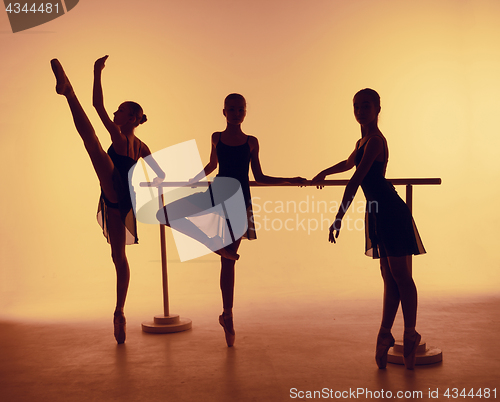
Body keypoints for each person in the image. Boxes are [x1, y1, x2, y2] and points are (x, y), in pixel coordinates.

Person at [157, 93, 305, 346]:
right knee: (166, 213)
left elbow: (258, 175)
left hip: (240, 202)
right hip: (216, 195)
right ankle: (215, 247)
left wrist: (291, 179)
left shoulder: (251, 141)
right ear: (224, 112)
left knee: (229, 263)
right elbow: (212, 165)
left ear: (245, 112)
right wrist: (190, 180)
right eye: (232, 109)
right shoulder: (216, 137)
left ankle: (227, 315)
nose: (236, 113)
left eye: (240, 109)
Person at [51, 56, 165, 344]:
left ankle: (68, 92)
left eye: (120, 111)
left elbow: (97, 107)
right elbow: (159, 174)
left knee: (92, 143)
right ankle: (119, 312)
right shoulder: (140, 146)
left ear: (130, 118)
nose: (114, 113)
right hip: (120, 200)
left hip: (117, 193)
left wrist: (96, 72)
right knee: (118, 257)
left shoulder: (123, 138)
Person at [312, 88, 425, 369]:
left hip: (390, 211)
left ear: (377, 109)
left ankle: (409, 334)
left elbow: (355, 179)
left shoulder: (375, 141)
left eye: (365, 106)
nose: (360, 111)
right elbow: (349, 162)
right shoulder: (362, 140)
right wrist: (325, 172)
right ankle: (385, 334)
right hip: (377, 213)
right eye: (356, 106)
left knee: (401, 276)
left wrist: (338, 217)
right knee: (389, 276)